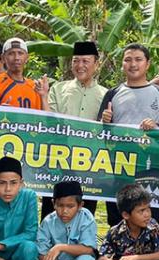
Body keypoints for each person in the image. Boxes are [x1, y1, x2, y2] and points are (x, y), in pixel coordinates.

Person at [97, 43, 159, 227]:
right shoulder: (113, 93)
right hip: (120, 165)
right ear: (122, 64)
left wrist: (157, 127)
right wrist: (105, 120)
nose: (133, 64)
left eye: (138, 59)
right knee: (119, 213)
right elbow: (99, 131)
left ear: (147, 64)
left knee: (149, 214)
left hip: (150, 166)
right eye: (128, 60)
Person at [40, 40, 106, 218]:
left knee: (85, 214)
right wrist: (44, 97)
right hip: (58, 162)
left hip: (89, 165)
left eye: (85, 61)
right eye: (76, 60)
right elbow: (49, 122)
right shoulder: (59, 89)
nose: (80, 65)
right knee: (51, 213)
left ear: (96, 64)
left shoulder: (106, 94)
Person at [29, 181, 97, 260]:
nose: (64, 211)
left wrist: (61, 247)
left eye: (70, 206)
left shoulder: (86, 218)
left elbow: (89, 249)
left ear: (80, 205)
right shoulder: (48, 222)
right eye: (60, 205)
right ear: (53, 204)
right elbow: (41, 254)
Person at [0, 37, 48, 110]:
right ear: (3, 58)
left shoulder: (35, 87)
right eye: (11, 53)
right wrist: (0, 112)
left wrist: (44, 96)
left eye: (20, 53)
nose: (16, 58)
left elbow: (47, 119)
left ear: (27, 58)